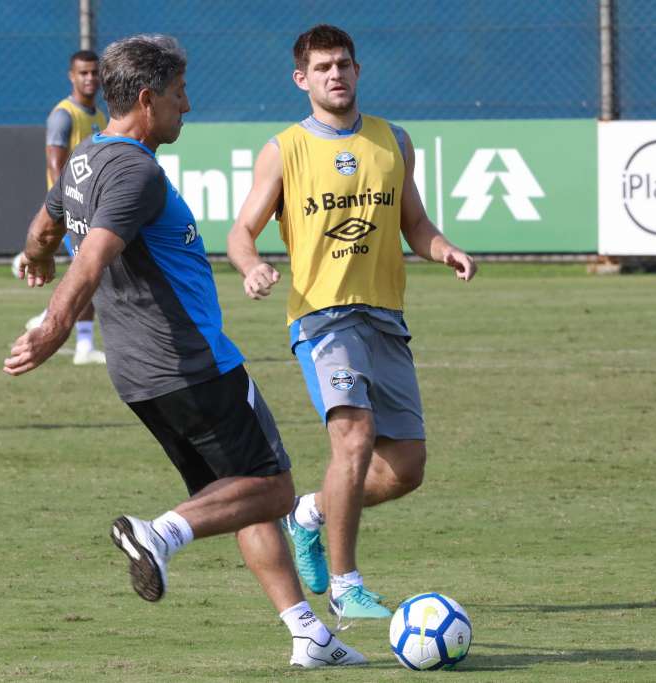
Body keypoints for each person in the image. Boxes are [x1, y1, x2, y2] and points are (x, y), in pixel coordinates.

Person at [4, 34, 365, 668]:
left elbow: (44, 226)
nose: (187, 105)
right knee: (274, 491)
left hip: (138, 376)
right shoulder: (136, 171)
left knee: (234, 496)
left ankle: (308, 633)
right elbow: (91, 258)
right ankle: (160, 534)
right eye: (178, 93)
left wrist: (36, 257)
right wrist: (55, 326)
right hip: (193, 364)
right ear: (147, 100)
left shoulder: (86, 158)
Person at [227, 24, 477, 622]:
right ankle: (346, 586)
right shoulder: (285, 149)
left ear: (357, 70)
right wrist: (252, 266)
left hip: (385, 317)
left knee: (407, 468)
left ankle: (308, 513)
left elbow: (414, 223)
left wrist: (445, 249)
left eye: (342, 64)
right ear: (301, 79)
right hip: (323, 318)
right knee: (355, 439)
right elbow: (241, 231)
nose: (334, 74)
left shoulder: (394, 140)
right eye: (322, 67)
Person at [13, 50, 107, 365]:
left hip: (90, 209)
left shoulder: (99, 115)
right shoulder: (63, 115)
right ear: (71, 76)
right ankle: (69, 334)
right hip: (71, 212)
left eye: (94, 72)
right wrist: (70, 205)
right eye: (83, 73)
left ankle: (74, 339)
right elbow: (56, 166)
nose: (90, 78)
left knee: (92, 271)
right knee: (90, 270)